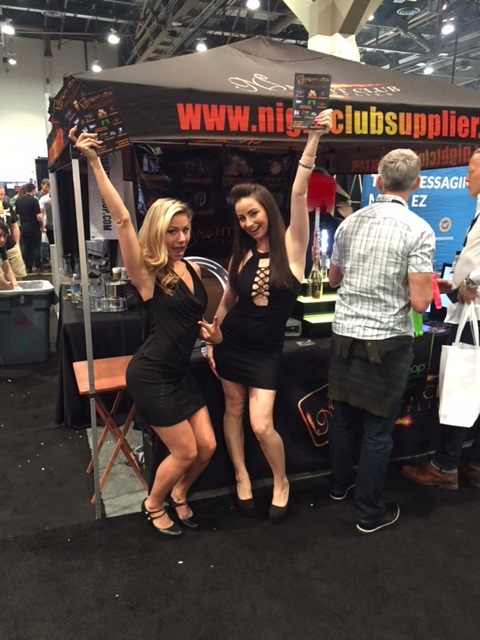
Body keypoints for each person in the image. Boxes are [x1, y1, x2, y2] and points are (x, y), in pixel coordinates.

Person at [69, 126, 221, 538]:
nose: (181, 238)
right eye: (172, 231)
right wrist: (94, 161)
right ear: (157, 231)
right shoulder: (148, 274)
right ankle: (153, 503)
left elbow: (199, 324)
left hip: (179, 374)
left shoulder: (192, 268)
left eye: (185, 229)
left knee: (207, 447)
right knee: (185, 450)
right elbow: (121, 217)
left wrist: (213, 337)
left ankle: (180, 493)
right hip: (152, 374)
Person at [206, 110, 333, 524]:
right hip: (232, 343)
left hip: (266, 352)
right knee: (233, 409)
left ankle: (281, 481)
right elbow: (228, 298)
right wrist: (213, 338)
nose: (249, 222)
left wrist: (313, 138)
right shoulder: (242, 253)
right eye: (242, 217)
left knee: (261, 424)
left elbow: (298, 191)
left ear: (267, 209)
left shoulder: (292, 246)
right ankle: (241, 475)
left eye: (254, 213)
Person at [327, 148, 435, 534]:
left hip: (344, 334)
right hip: (387, 341)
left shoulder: (349, 223)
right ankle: (369, 513)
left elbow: (334, 278)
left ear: (377, 181)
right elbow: (421, 303)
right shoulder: (418, 229)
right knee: (377, 429)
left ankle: (339, 486)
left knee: (344, 417)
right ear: (416, 184)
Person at [402, 148, 480, 490]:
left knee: (462, 388)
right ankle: (474, 463)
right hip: (470, 310)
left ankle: (444, 466)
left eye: (472, 171)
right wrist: (457, 284)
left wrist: (469, 285)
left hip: (475, 316)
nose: (466, 177)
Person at [14, 183, 42, 274]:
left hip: (24, 228)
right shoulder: (34, 200)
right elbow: (39, 217)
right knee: (36, 247)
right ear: (33, 190)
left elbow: (17, 215)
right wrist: (41, 225)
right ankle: (38, 267)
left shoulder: (18, 201)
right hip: (34, 228)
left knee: (27, 248)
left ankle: (28, 267)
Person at [0, 185, 27, 280]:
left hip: (11, 246)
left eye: (2, 194)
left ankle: (17, 287)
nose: (1, 197)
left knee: (18, 273)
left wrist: (17, 243)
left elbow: (15, 226)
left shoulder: (7, 206)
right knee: (2, 276)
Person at [0, 221, 20, 290]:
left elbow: (6, 267)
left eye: (4, 236)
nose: (2, 240)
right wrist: (11, 289)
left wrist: (15, 285)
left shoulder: (1, 246)